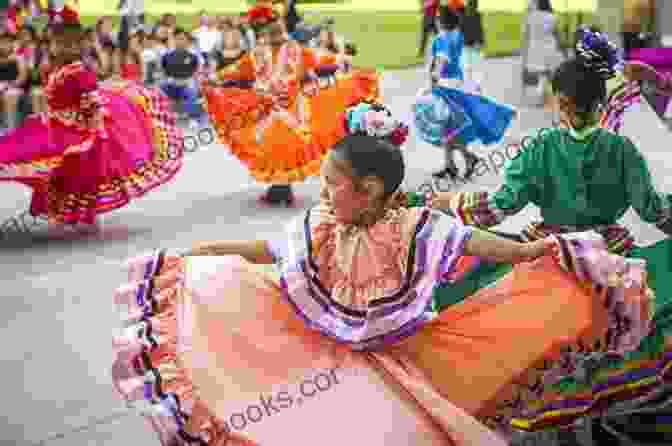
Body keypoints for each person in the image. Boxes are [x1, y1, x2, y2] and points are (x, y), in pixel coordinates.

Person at [111, 98, 654, 446]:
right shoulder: (325, 224)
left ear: (369, 191)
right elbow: (269, 249)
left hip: (403, 357)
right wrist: (211, 251)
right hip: (326, 349)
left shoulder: (415, 226)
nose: (322, 194)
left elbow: (477, 242)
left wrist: (531, 255)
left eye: (330, 183)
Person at [428, 29, 672, 441]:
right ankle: (597, 415)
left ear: (560, 103)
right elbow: (653, 210)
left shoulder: (540, 149)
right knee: (608, 334)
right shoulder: (623, 150)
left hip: (551, 252)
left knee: (541, 339)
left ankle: (546, 421)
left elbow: (500, 206)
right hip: (608, 256)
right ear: (600, 103)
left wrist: (448, 204)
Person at [0, 6, 183, 230]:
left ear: (77, 45)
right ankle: (72, 212)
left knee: (75, 172)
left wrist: (98, 132)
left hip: (77, 131)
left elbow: (92, 103)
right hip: (56, 124)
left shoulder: (79, 71)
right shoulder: (56, 68)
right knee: (21, 151)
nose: (60, 46)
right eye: (57, 42)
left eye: (67, 43)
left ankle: (84, 214)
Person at [202, 9, 380, 205]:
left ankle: (282, 188)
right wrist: (216, 78)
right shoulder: (257, 55)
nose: (277, 35)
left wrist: (342, 61)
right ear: (262, 34)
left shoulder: (297, 51)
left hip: (292, 108)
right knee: (272, 146)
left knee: (285, 145)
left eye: (279, 31)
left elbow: (321, 60)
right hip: (266, 108)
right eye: (271, 32)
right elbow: (238, 70)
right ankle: (279, 188)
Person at [414, 6, 515, 181]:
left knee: (447, 129)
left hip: (445, 88)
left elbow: (441, 60)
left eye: (437, 18)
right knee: (450, 129)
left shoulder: (441, 39)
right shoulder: (458, 36)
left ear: (441, 21)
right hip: (457, 86)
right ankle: (453, 165)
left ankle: (465, 160)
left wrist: (433, 80)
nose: (435, 20)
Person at [521, 0, 564, 107]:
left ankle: (542, 97)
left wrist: (524, 49)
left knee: (541, 74)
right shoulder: (552, 17)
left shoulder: (531, 17)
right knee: (548, 75)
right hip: (550, 48)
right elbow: (557, 34)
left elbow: (525, 33)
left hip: (535, 48)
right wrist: (562, 49)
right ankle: (550, 97)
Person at [160, 27, 204, 128]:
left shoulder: (192, 56)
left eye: (182, 39)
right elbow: (163, 71)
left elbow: (196, 73)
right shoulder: (167, 55)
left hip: (186, 83)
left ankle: (193, 118)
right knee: (160, 88)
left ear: (187, 41)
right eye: (178, 38)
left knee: (192, 89)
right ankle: (163, 117)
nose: (180, 41)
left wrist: (191, 81)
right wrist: (169, 80)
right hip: (171, 84)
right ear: (174, 40)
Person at [0, 31, 28, 131]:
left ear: (12, 44)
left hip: (14, 87)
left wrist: (9, 85)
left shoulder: (19, 58)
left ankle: (11, 130)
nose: (5, 45)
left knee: (9, 96)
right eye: (2, 43)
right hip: (1, 86)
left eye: (8, 42)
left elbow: (22, 77)